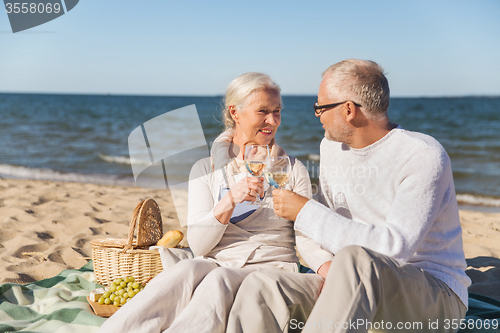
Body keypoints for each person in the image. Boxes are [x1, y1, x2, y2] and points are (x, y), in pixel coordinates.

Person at [227, 59, 471, 333]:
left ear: (348, 110)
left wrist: (304, 211)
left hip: (432, 293)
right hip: (349, 277)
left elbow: (394, 249)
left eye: (320, 107)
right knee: (261, 286)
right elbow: (321, 227)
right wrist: (325, 265)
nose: (316, 115)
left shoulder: (422, 155)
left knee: (355, 261)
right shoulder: (332, 148)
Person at [97, 72, 325, 333]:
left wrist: (325, 267)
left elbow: (306, 237)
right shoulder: (206, 169)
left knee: (219, 280)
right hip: (217, 261)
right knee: (182, 273)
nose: (272, 121)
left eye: (277, 111)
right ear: (235, 113)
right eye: (262, 111)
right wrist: (229, 200)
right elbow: (198, 244)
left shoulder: (292, 170)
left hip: (271, 267)